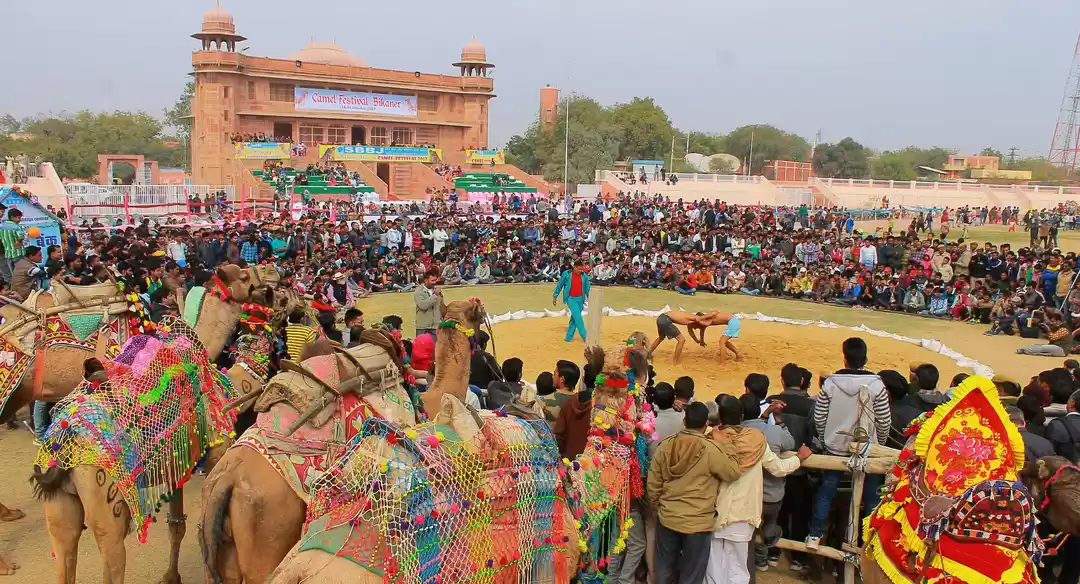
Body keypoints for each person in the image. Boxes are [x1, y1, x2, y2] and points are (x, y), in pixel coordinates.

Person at [706, 395, 808, 584]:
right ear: (742, 416)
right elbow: (779, 469)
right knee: (738, 569)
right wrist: (799, 458)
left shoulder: (710, 438)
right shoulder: (756, 441)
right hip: (743, 515)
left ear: (720, 417)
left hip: (714, 514)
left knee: (713, 569)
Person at [807, 337, 890, 550]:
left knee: (827, 490)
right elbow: (884, 421)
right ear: (865, 358)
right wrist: (878, 445)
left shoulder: (830, 383)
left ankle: (815, 535)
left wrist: (828, 438)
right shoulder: (877, 386)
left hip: (836, 446)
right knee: (872, 496)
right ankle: (870, 541)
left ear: (845, 359)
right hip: (868, 449)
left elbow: (819, 416)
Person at [648, 402, 744, 584]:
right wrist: (726, 446)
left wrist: (657, 507)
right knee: (691, 576)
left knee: (664, 570)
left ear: (684, 421)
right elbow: (733, 473)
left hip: (668, 517)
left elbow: (653, 484)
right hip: (698, 523)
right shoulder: (711, 449)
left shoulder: (666, 445)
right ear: (706, 423)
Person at [553, 361, 590, 458]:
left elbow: (558, 434)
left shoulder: (543, 401)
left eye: (555, 374)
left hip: (564, 457)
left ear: (562, 379)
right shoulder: (599, 406)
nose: (553, 377)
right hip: (589, 458)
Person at [553, 260, 590, 342]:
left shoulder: (584, 275)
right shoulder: (566, 274)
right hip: (571, 299)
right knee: (578, 318)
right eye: (579, 269)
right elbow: (560, 285)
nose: (581, 271)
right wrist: (555, 296)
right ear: (574, 267)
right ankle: (586, 337)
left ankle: (568, 338)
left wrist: (590, 298)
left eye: (582, 269)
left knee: (574, 319)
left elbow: (587, 288)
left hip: (580, 299)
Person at [0, 208, 25, 285]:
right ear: (12, 217)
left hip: (8, 253)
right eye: (18, 218)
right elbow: (21, 236)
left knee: (12, 275)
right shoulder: (16, 227)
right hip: (18, 253)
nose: (19, 220)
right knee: (20, 274)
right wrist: (19, 241)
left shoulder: (1, 226)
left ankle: (14, 288)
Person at [414, 269, 442, 337]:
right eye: (432, 280)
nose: (434, 282)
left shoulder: (437, 291)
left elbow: (440, 307)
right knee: (421, 347)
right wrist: (435, 295)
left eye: (435, 280)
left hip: (436, 327)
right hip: (423, 327)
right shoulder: (418, 292)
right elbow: (423, 305)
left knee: (435, 347)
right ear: (426, 280)